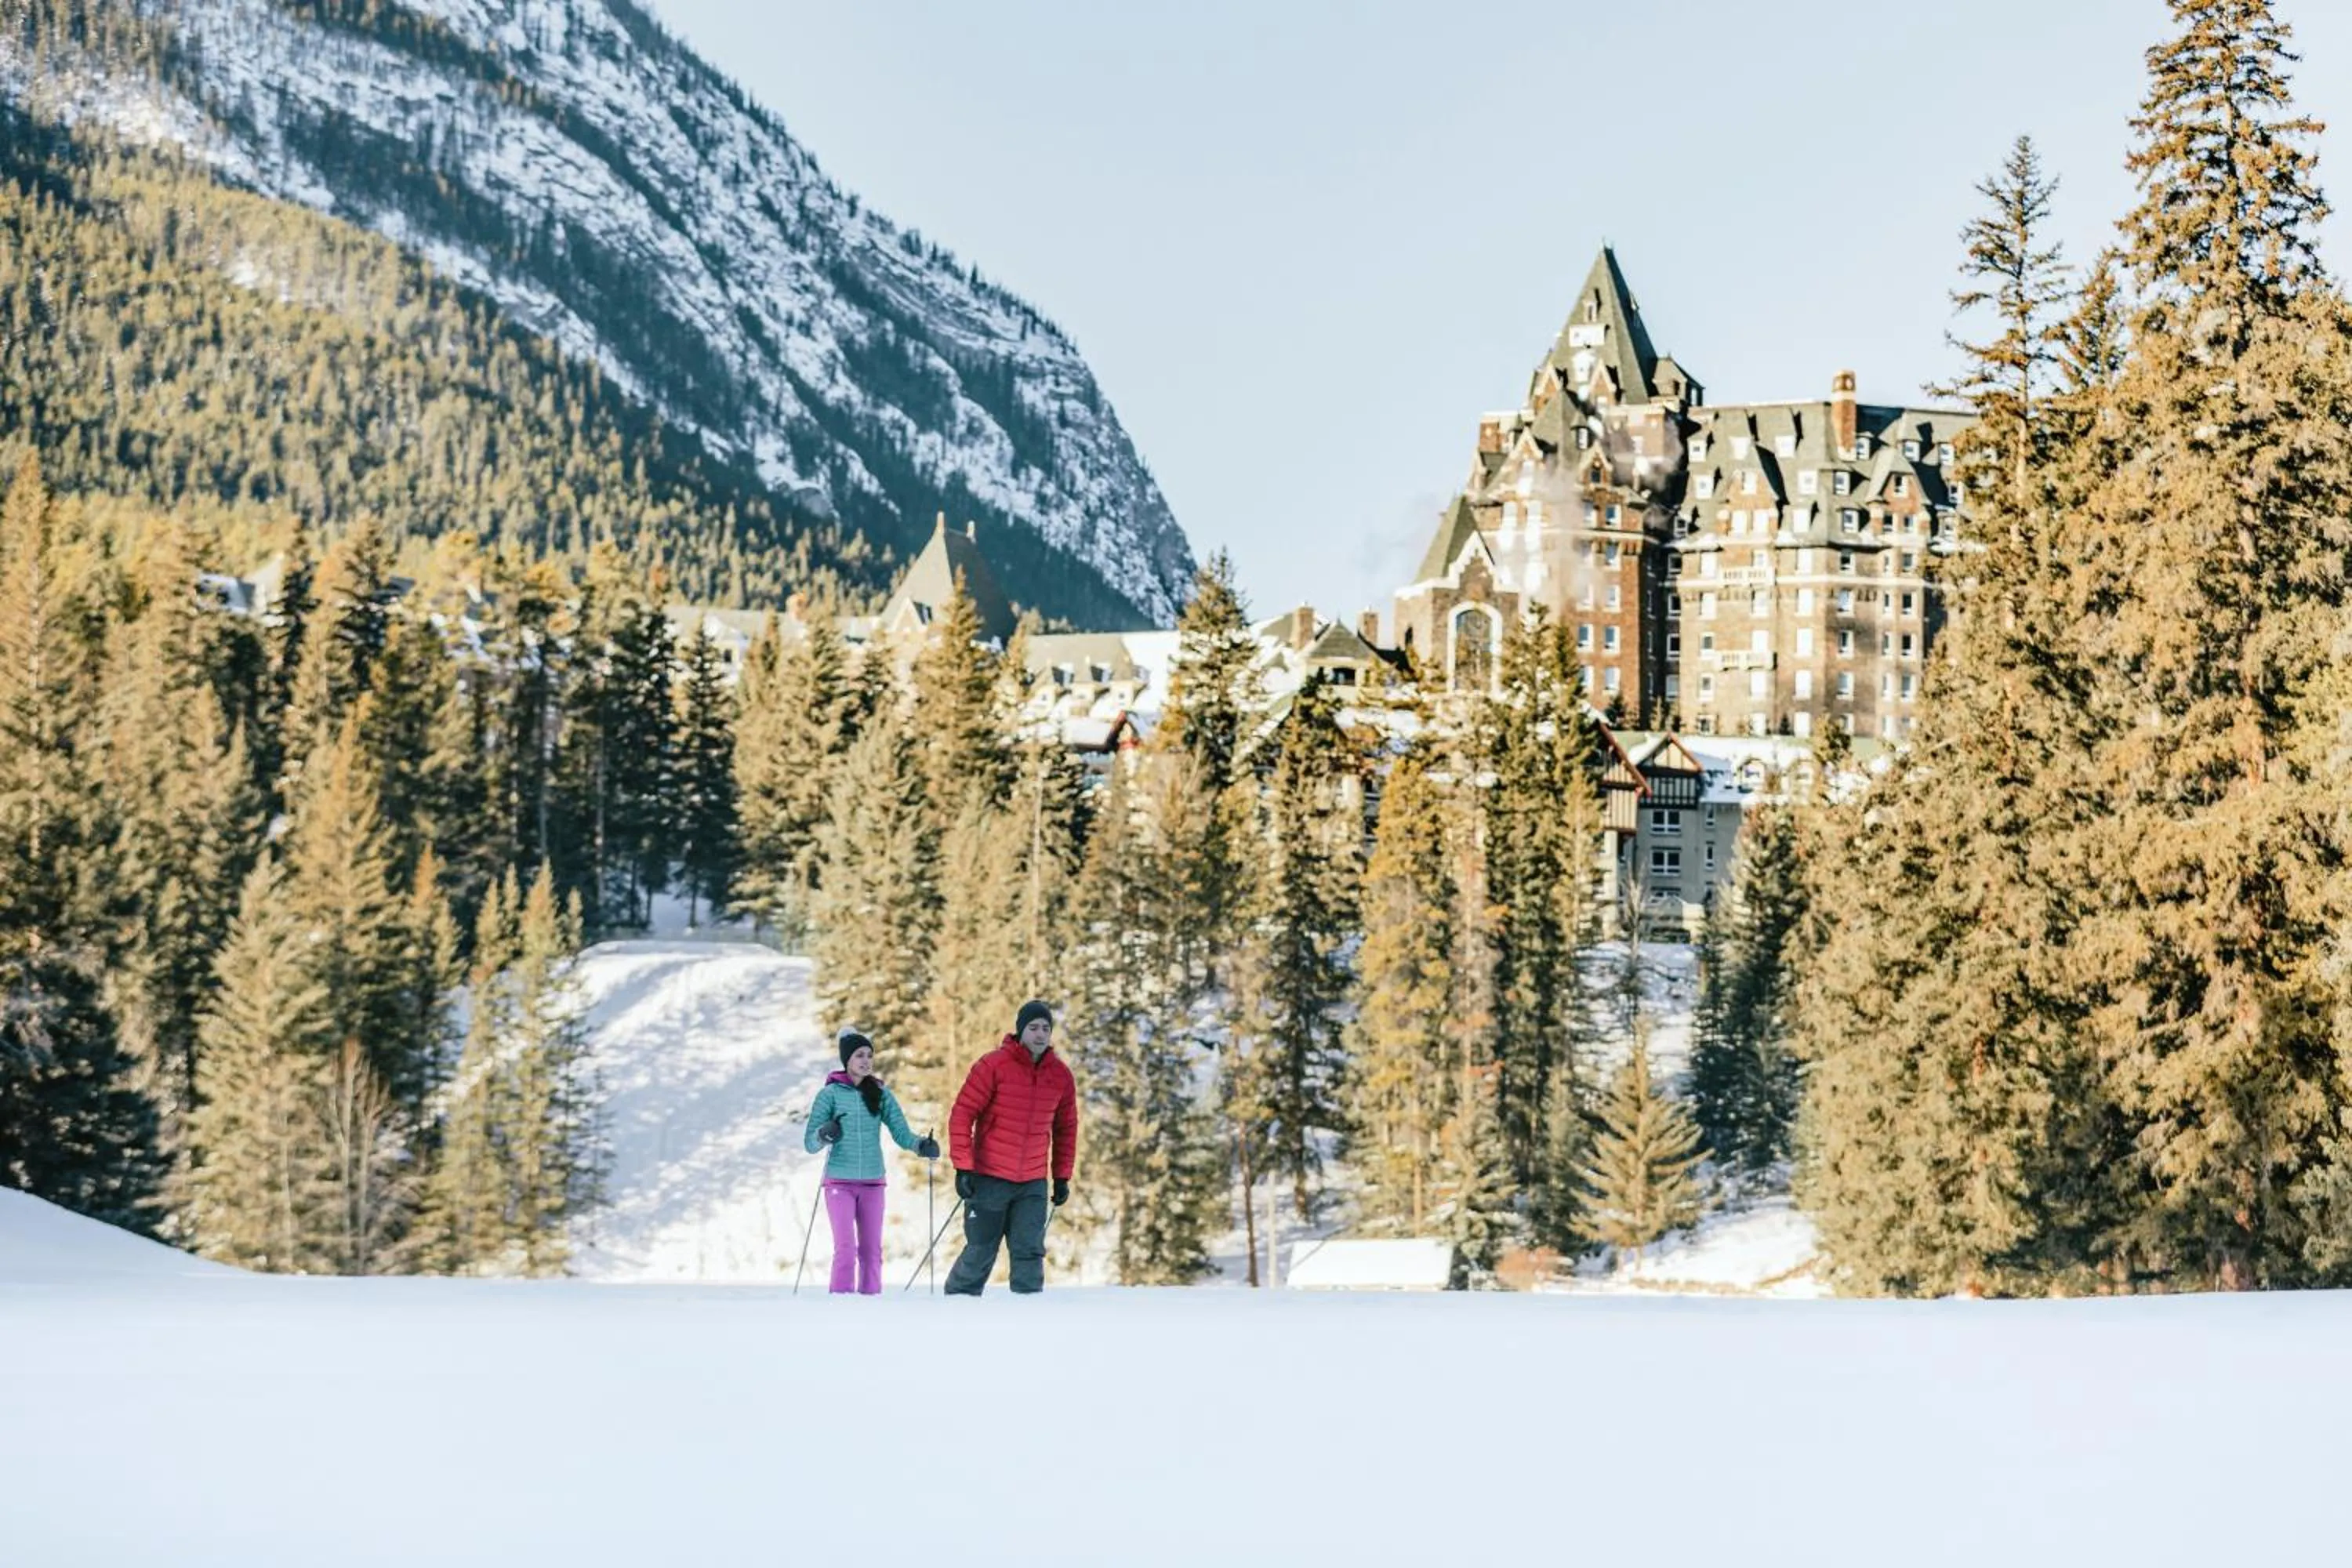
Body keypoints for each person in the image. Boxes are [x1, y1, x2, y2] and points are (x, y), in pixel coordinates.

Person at [943, 999, 1078, 1296]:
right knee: (981, 1250)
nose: (1040, 1034)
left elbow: (1066, 1129)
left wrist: (1062, 1176)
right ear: (1020, 1031)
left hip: (1031, 1182)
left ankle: (1028, 1317)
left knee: (1029, 1251)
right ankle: (956, 1310)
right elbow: (962, 1114)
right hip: (990, 1176)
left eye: (1046, 1028)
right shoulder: (993, 1065)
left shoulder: (1060, 1076)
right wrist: (963, 1167)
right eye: (1033, 1028)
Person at [804, 1027, 938, 1295]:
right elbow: (810, 1143)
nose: (866, 1061)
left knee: (871, 1252)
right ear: (847, 1060)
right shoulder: (829, 1095)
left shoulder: (880, 1094)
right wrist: (824, 1133)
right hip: (839, 1182)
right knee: (846, 1250)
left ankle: (871, 1305)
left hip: (872, 1183)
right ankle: (840, 1305)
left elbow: (901, 1133)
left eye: (869, 1055)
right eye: (859, 1055)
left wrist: (922, 1145)